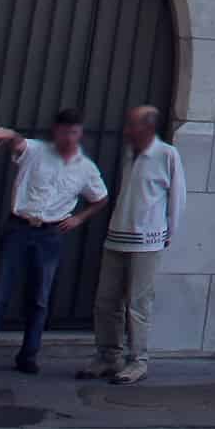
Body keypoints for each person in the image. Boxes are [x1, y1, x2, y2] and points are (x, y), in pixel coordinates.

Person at [0, 110, 106, 376]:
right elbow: (18, 142)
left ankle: (28, 356)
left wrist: (78, 219)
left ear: (80, 134)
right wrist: (9, 134)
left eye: (74, 132)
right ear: (56, 132)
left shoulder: (86, 169)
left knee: (39, 299)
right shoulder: (37, 151)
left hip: (51, 234)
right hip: (18, 227)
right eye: (64, 131)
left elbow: (100, 198)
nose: (69, 137)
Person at [84, 107, 179, 385]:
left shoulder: (167, 154)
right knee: (106, 301)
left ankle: (138, 361)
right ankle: (108, 355)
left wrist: (167, 233)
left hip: (146, 241)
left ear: (147, 127)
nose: (127, 129)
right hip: (117, 235)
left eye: (133, 125)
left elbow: (177, 196)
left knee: (138, 304)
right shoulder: (130, 154)